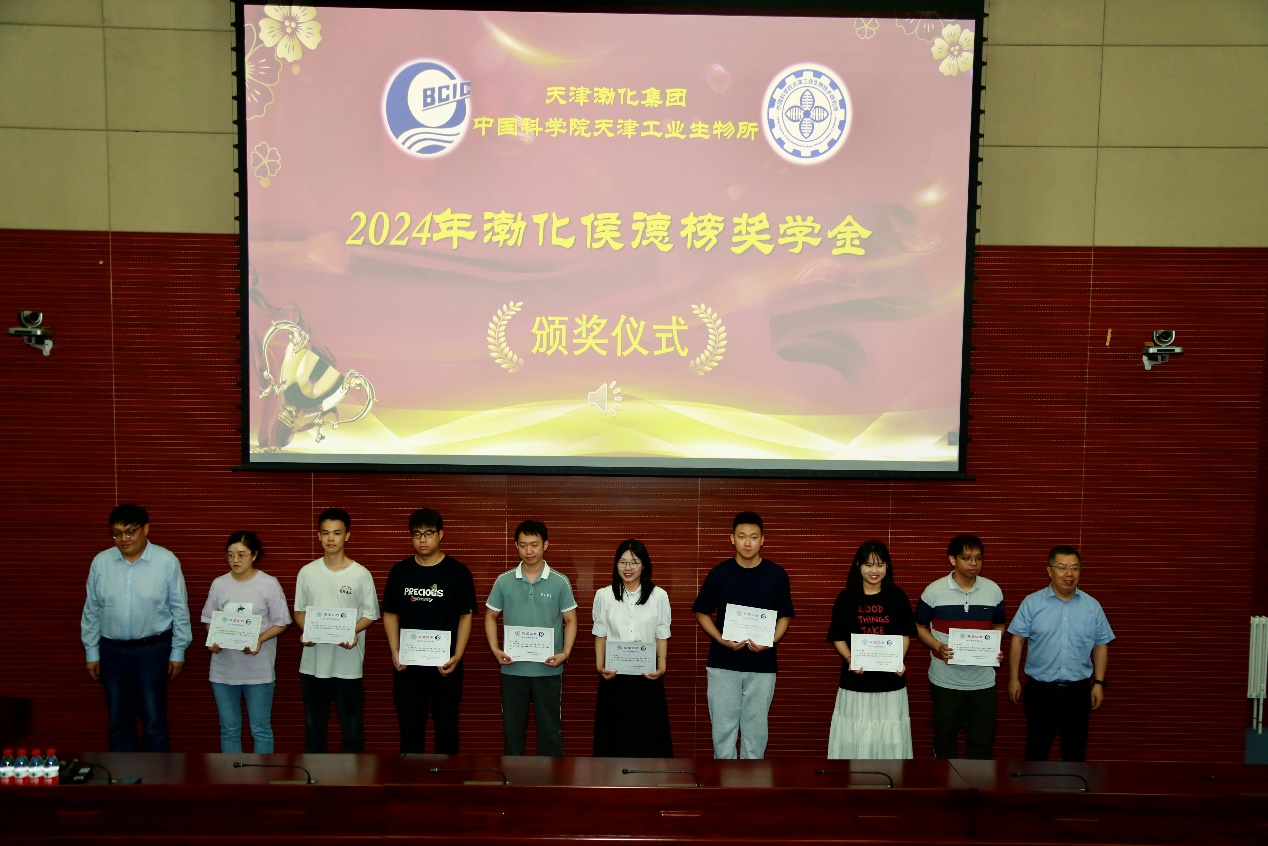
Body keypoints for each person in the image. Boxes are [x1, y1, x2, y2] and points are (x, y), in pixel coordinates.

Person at [81, 503, 192, 752]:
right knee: (118, 720)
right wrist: (92, 652)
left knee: (154, 720)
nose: (123, 539)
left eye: (130, 532)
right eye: (117, 533)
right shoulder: (101, 562)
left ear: (146, 529)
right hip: (112, 651)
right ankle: (123, 775)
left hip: (153, 650)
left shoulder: (166, 561)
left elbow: (179, 609)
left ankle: (157, 775)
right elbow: (92, 609)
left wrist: (178, 651)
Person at [692, 511, 795, 759]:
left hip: (762, 665)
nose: (747, 543)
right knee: (723, 729)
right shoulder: (719, 574)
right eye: (741, 536)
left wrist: (771, 641)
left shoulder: (776, 575)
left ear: (762, 540)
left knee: (755, 731)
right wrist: (721, 639)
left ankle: (753, 779)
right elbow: (701, 612)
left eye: (753, 537)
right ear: (732, 539)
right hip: (723, 663)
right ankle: (724, 779)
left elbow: (785, 615)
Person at [381, 508, 477, 754]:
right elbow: (390, 613)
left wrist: (458, 655)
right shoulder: (400, 571)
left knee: (447, 731)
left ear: (440, 535)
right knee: (410, 732)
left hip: (445, 666)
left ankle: (447, 779)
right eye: (417, 534)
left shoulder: (458, 572)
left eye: (428, 533)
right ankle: (411, 778)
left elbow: (466, 616)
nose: (422, 540)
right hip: (408, 667)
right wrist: (395, 650)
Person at [1008, 545, 1114, 762]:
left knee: (1075, 752)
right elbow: (1017, 641)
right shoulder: (1032, 603)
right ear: (1049, 570)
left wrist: (1099, 683)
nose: (1069, 574)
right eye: (1062, 567)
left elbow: (1100, 645)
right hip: (1040, 690)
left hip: (1078, 691)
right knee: (1037, 750)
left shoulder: (1092, 606)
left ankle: (1073, 785)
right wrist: (1013, 678)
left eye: (1075, 568)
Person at [484, 520, 577, 756]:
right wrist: (495, 649)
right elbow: (490, 616)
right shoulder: (504, 580)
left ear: (545, 545)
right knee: (512, 732)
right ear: (516, 546)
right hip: (513, 669)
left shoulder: (560, 581)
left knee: (550, 732)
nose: (529, 551)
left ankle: (552, 778)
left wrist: (565, 653)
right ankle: (513, 777)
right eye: (523, 545)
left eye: (534, 544)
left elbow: (571, 620)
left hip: (548, 670)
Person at [293, 508, 380, 753]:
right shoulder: (307, 572)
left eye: (337, 533)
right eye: (325, 533)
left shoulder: (361, 574)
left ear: (347, 536)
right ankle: (314, 776)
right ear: (318, 536)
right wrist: (308, 631)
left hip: (347, 666)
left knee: (352, 730)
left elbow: (371, 614)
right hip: (313, 665)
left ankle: (353, 776)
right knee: (314, 729)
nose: (330, 538)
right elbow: (299, 611)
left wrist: (351, 631)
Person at [914, 534, 1006, 759]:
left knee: (981, 744)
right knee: (945, 742)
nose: (974, 563)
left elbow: (999, 624)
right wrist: (938, 646)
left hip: (983, 683)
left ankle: (977, 782)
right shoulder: (934, 591)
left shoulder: (993, 590)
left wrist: (993, 646)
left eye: (978, 558)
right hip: (945, 681)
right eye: (967, 558)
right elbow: (918, 626)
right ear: (952, 559)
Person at [200, 531, 291, 753]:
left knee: (260, 729)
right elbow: (209, 620)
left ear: (254, 555)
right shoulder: (219, 584)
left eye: (241, 555)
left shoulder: (268, 584)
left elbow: (281, 622)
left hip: (258, 670)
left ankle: (261, 774)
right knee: (229, 730)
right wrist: (215, 639)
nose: (235, 560)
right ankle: (231, 773)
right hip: (223, 670)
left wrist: (259, 639)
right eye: (230, 555)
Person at [826, 540, 916, 759]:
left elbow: (905, 634)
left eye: (879, 565)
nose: (874, 571)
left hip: (890, 682)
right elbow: (837, 637)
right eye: (868, 565)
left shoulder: (898, 597)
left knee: (889, 736)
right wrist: (851, 659)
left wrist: (898, 659)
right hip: (856, 681)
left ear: (887, 566)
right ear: (858, 565)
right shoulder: (846, 598)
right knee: (854, 734)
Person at [592, 539, 673, 757]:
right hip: (614, 676)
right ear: (616, 564)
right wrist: (600, 666)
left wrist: (661, 666)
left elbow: (662, 634)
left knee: (648, 737)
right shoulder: (604, 595)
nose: (628, 568)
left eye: (634, 562)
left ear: (644, 565)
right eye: (623, 562)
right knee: (613, 736)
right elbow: (600, 634)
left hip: (647, 676)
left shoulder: (658, 595)